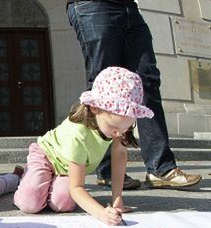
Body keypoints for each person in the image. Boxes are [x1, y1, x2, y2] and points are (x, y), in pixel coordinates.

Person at [67, 0, 201, 189]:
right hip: (93, 5)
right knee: (103, 85)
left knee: (146, 80)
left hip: (128, 7)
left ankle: (160, 168)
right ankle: (108, 171)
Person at [14, 67, 152, 226]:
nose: (119, 134)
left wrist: (117, 198)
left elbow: (119, 154)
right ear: (95, 108)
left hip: (68, 168)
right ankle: (19, 178)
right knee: (30, 203)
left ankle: (46, 183)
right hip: (46, 157)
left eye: (126, 128)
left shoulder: (118, 126)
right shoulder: (78, 134)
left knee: (62, 204)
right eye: (114, 128)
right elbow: (77, 187)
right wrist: (101, 213)